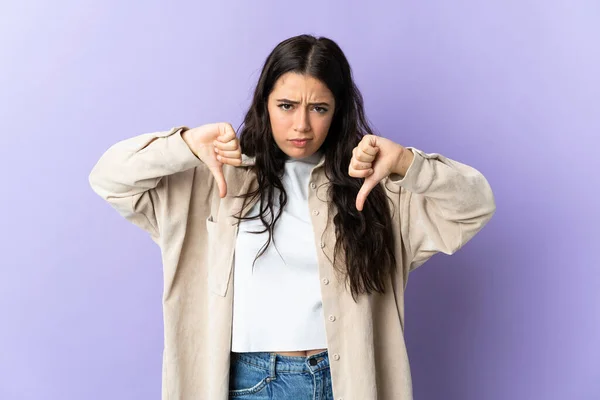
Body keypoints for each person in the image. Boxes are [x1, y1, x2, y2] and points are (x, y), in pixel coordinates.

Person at [89, 34, 496, 400]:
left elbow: (474, 206)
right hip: (248, 382)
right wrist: (183, 145)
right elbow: (109, 178)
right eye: (286, 106)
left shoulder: (375, 187)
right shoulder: (211, 179)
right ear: (264, 103)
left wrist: (407, 162)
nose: (301, 124)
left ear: (337, 111)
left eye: (319, 108)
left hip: (346, 382)